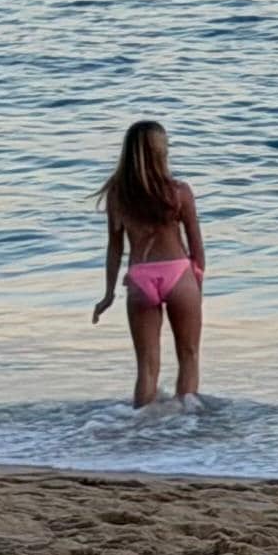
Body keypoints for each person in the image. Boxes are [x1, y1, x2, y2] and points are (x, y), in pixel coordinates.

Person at [92, 119, 205, 408]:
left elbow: (115, 248)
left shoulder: (118, 195)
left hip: (140, 277)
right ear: (161, 152)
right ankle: (188, 426)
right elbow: (196, 246)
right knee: (189, 356)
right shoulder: (179, 192)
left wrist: (108, 293)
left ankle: (140, 427)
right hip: (178, 274)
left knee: (147, 367)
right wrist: (198, 286)